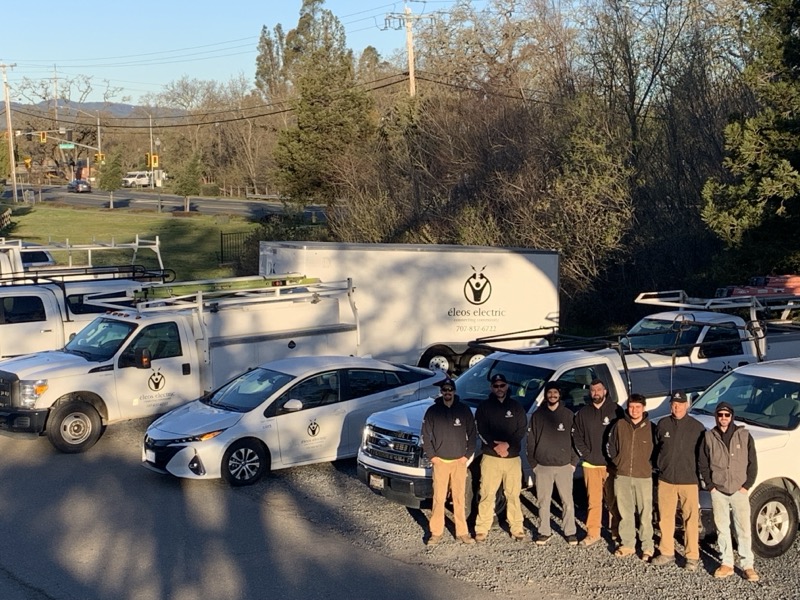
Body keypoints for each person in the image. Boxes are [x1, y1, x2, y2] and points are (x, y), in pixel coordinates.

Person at [698, 401, 759, 581]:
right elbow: (703, 463)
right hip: (719, 491)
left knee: (743, 529)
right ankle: (727, 563)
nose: (723, 418)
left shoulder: (744, 435)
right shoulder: (709, 437)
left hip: (739, 490)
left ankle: (747, 565)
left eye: (726, 415)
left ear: (731, 416)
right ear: (716, 417)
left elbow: (752, 463)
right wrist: (711, 486)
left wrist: (746, 485)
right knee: (722, 528)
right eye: (720, 415)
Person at [651, 391, 706, 571]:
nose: (677, 407)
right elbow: (656, 449)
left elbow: (703, 456)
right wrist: (658, 466)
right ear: (670, 406)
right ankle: (666, 551)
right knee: (665, 517)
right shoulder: (663, 424)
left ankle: (692, 556)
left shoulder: (698, 428)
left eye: (681, 404)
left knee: (690, 519)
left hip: (689, 480)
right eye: (674, 404)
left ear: (687, 405)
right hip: (666, 479)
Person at [421, 377, 478, 546]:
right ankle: (436, 532)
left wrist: (466, 456)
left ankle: (463, 532)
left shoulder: (464, 410)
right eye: (444, 390)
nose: (447, 393)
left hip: (459, 462)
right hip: (440, 463)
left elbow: (473, 435)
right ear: (442, 392)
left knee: (459, 498)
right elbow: (425, 436)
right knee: (438, 498)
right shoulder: (432, 411)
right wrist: (432, 457)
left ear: (454, 391)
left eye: (450, 390)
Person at [473, 373, 528, 542]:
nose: (499, 389)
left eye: (502, 385)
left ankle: (517, 527)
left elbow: (521, 430)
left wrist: (507, 446)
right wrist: (495, 446)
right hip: (491, 457)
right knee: (487, 493)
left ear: (507, 387)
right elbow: (480, 430)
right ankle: (482, 528)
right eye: (496, 386)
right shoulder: (484, 407)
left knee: (512, 494)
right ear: (492, 388)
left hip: (512, 459)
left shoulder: (516, 407)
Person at [572, 379, 624, 546]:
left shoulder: (616, 410)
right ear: (590, 393)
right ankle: (593, 533)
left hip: (611, 465)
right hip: (590, 465)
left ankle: (616, 533)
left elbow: (623, 435)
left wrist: (616, 458)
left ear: (605, 391)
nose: (596, 393)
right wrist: (586, 454)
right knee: (593, 501)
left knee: (613, 500)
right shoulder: (583, 413)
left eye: (599, 390)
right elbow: (576, 436)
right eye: (593, 390)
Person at [526, 382, 578, 545]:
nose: (552, 395)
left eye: (555, 392)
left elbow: (575, 440)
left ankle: (570, 531)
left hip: (564, 466)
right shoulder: (537, 415)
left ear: (559, 394)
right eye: (549, 393)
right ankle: (544, 531)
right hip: (542, 466)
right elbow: (531, 440)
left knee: (567, 501)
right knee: (543, 501)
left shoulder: (569, 415)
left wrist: (573, 462)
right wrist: (533, 463)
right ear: (546, 395)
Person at [607, 393, 655, 560]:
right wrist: (617, 462)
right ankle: (628, 544)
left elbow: (658, 451)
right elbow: (610, 446)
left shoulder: (652, 427)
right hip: (623, 474)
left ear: (643, 408)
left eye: (638, 407)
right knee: (625, 511)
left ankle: (647, 546)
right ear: (628, 407)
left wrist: (650, 466)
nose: (634, 410)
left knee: (645, 512)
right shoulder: (619, 425)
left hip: (643, 476)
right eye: (631, 407)